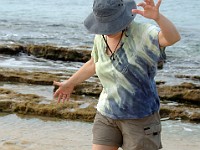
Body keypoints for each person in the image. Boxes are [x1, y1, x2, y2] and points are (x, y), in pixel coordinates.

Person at [53, 0, 180, 149]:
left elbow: (172, 38)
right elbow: (94, 62)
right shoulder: (100, 37)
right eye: (103, 25)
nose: (107, 30)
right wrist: (70, 83)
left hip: (140, 117)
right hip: (107, 112)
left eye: (112, 24)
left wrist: (158, 18)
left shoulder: (144, 33)